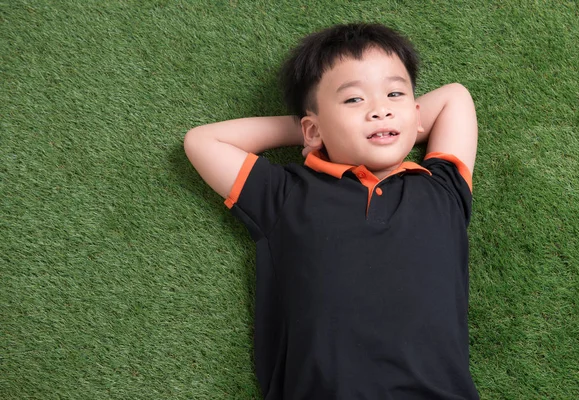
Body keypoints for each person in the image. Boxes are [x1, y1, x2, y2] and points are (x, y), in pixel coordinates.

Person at [184, 23, 479, 399]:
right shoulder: (286, 193)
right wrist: (311, 131)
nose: (380, 111)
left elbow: (455, 97)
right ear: (312, 128)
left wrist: (393, 122)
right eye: (354, 100)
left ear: (417, 114)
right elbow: (203, 140)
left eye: (394, 93)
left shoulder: (442, 188)